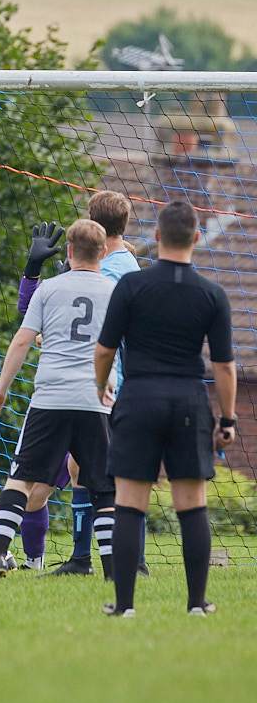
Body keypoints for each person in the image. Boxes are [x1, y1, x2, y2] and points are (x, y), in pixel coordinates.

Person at [96, 201, 235, 617]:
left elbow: (104, 350)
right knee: (192, 503)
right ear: (196, 238)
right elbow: (225, 367)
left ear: (157, 237)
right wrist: (227, 420)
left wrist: (100, 387)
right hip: (189, 401)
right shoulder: (212, 293)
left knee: (128, 501)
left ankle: (124, 606)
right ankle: (197, 603)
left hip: (138, 397)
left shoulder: (131, 286)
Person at [0, 220, 117, 583]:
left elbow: (23, 340)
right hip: (94, 399)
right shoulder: (116, 291)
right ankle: (113, 570)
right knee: (104, 488)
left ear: (68, 251)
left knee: (21, 481)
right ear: (103, 252)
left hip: (51, 397)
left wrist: (1, 388)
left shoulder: (50, 288)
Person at [18, 191, 146, 576]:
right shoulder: (124, 265)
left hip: (98, 386)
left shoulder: (105, 271)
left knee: (96, 475)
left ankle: (113, 559)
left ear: (92, 223)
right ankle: (88, 558)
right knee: (85, 471)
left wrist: (36, 276)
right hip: (106, 384)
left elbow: (38, 319)